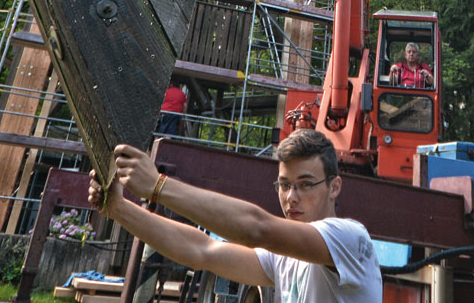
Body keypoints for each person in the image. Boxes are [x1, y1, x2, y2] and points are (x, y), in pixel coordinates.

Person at [91, 129, 382, 303]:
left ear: (335, 187)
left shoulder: (349, 237)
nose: (291, 197)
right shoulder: (283, 258)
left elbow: (258, 229)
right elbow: (201, 250)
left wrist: (159, 186)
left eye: (305, 184)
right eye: (284, 185)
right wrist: (119, 208)